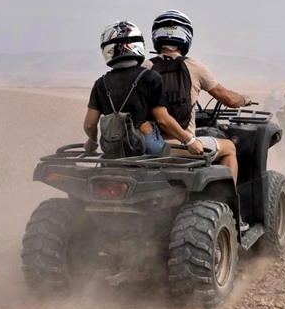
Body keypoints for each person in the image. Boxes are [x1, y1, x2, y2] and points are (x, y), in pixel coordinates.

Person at [145, 10, 251, 182]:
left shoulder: (144, 67)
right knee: (230, 147)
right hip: (179, 147)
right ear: (186, 36)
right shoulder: (195, 67)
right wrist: (244, 99)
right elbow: (228, 99)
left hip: (148, 144)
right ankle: (226, 200)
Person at [83, 21, 199, 157]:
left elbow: (90, 125)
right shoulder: (150, 77)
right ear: (138, 44)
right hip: (147, 147)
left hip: (114, 150)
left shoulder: (100, 83)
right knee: (204, 154)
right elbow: (162, 119)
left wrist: (92, 141)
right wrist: (189, 140)